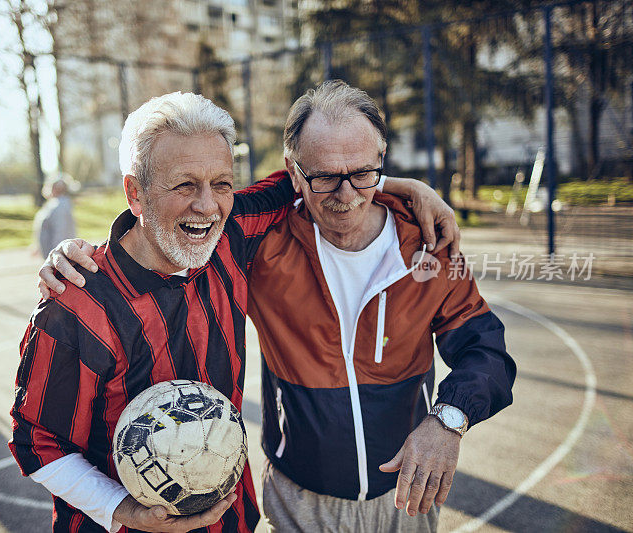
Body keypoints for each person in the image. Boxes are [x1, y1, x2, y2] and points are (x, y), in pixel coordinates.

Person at [40, 82, 516, 532]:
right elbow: (164, 220)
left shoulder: (428, 242)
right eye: (326, 176)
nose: (346, 194)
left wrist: (449, 420)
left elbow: (486, 349)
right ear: (294, 173)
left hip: (405, 498)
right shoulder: (258, 240)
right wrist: (76, 256)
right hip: (298, 499)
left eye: (363, 173)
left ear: (380, 161)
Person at [32, 175, 78, 260]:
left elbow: (61, 232)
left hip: (57, 255)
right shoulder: (53, 204)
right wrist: (37, 246)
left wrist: (57, 254)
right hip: (51, 252)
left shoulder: (60, 206)